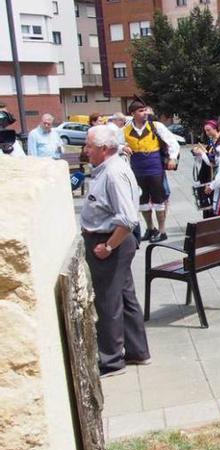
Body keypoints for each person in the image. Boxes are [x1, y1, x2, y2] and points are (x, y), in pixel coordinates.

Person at [80, 125, 150, 377]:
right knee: (124, 295)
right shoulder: (110, 168)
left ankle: (111, 361)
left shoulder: (113, 173)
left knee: (108, 301)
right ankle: (137, 351)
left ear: (104, 149)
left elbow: (128, 218)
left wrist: (108, 246)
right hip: (111, 242)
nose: (85, 150)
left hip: (110, 243)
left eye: (89, 146)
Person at [121, 100, 180, 243]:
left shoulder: (156, 126)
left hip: (154, 166)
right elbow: (115, 143)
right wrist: (122, 147)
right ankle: (150, 228)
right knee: (142, 200)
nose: (145, 113)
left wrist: (172, 158)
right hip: (137, 168)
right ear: (133, 113)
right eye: (141, 111)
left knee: (159, 200)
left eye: (145, 110)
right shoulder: (126, 129)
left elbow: (172, 142)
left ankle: (162, 230)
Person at [191, 120, 220, 218]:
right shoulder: (211, 141)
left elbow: (212, 162)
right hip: (206, 175)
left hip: (214, 175)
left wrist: (202, 153)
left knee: (213, 202)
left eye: (209, 130)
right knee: (207, 203)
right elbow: (206, 157)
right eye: (206, 131)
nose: (207, 133)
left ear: (216, 129)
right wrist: (198, 153)